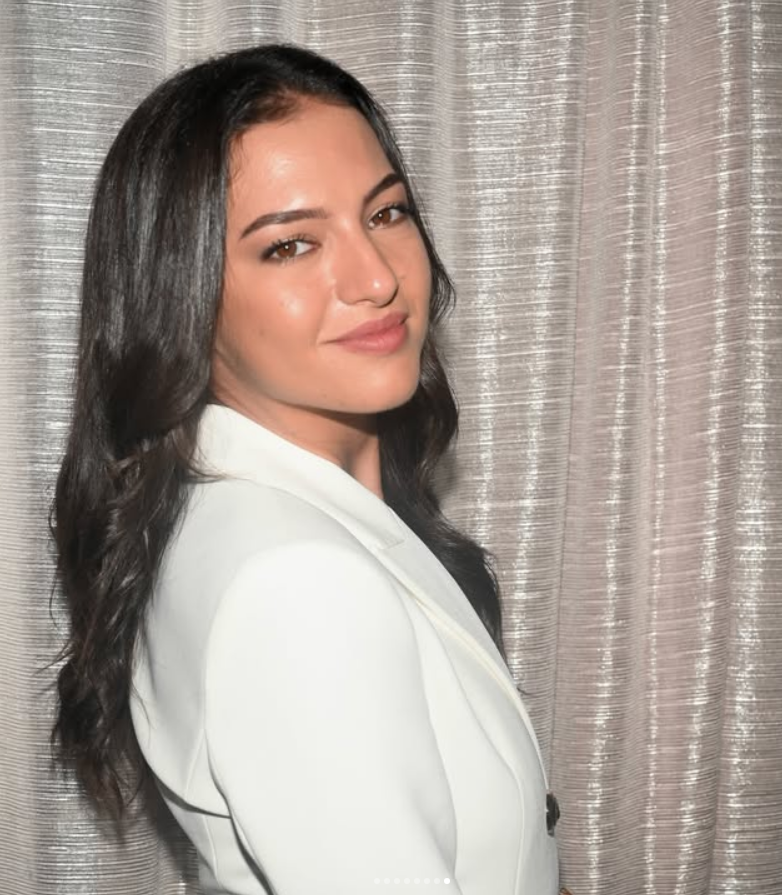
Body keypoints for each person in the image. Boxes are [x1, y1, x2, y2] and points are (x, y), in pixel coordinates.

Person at [52, 44, 561, 894]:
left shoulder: (231, 504)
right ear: (182, 296)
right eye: (290, 245)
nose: (376, 278)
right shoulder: (298, 582)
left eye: (387, 212)